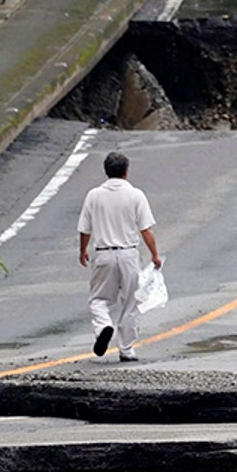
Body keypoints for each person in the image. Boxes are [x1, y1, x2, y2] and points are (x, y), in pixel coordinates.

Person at [77, 150, 161, 362]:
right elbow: (146, 230)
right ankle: (127, 348)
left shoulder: (93, 195)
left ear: (106, 171)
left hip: (104, 254)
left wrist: (83, 250)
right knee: (131, 300)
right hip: (129, 254)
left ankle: (104, 326)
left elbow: (85, 229)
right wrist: (155, 255)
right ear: (126, 172)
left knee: (98, 298)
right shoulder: (136, 195)